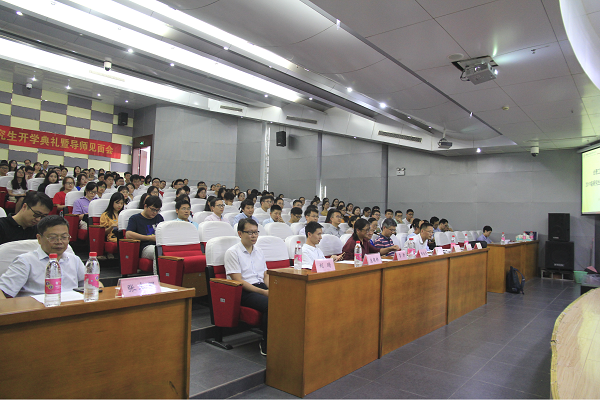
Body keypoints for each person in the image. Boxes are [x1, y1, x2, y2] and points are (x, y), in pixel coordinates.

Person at [0, 216, 89, 298]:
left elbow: (90, 285)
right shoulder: (25, 261)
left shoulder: (74, 259)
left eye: (64, 237)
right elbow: (3, 291)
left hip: (71, 306)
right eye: (53, 237)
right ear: (39, 239)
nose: (59, 242)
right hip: (38, 308)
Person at [224, 218, 269, 356]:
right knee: (271, 304)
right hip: (243, 291)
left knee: (285, 300)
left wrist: (270, 289)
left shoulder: (259, 251)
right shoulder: (232, 252)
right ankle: (266, 343)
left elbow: (265, 274)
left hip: (260, 286)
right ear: (240, 233)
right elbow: (239, 281)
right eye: (250, 232)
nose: (254, 236)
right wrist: (264, 292)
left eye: (256, 232)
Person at [126, 196, 163, 274]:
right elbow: (128, 234)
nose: (155, 212)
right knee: (157, 251)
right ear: (145, 206)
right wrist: (149, 238)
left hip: (159, 244)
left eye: (157, 210)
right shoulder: (135, 218)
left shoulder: (159, 218)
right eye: (153, 209)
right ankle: (158, 277)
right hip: (145, 247)